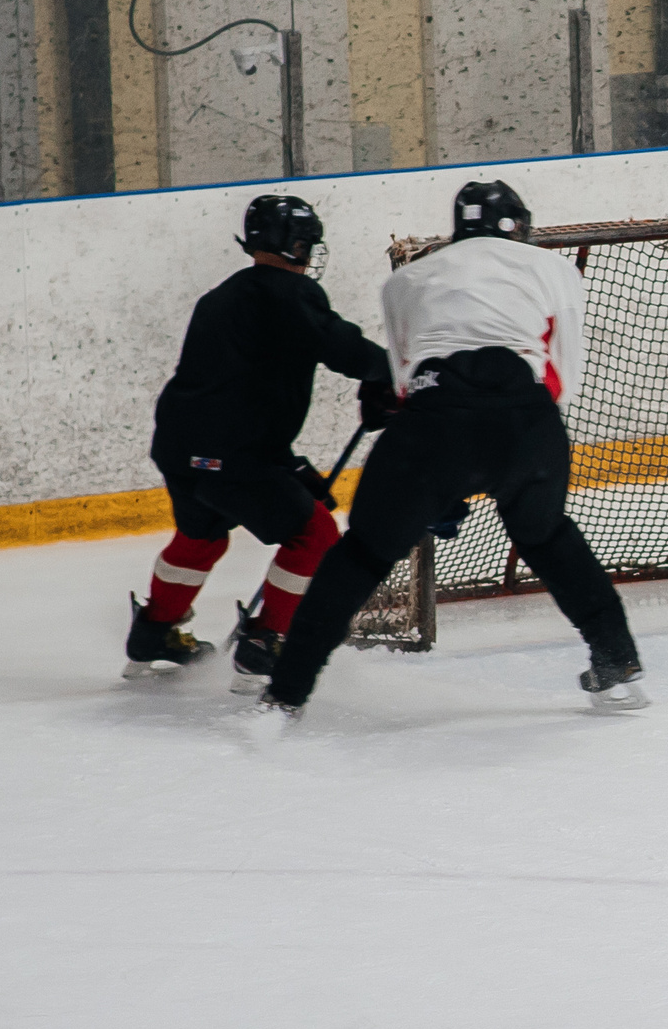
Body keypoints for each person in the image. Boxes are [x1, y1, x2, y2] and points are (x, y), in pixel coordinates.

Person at [256, 180, 647, 719]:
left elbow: (403, 381)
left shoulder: (407, 280)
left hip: (434, 429)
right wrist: (508, 435)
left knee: (362, 555)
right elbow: (563, 372)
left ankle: (286, 691)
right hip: (528, 424)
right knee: (549, 535)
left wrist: (441, 476)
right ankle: (616, 657)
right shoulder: (554, 269)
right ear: (519, 225)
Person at [125, 194, 392, 689]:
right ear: (292, 245)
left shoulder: (221, 296)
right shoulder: (291, 295)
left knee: (201, 537)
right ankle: (264, 642)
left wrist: (285, 465)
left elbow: (234, 390)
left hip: (180, 448)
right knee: (314, 536)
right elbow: (341, 347)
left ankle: (153, 634)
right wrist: (392, 373)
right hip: (234, 455)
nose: (310, 252)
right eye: (306, 242)